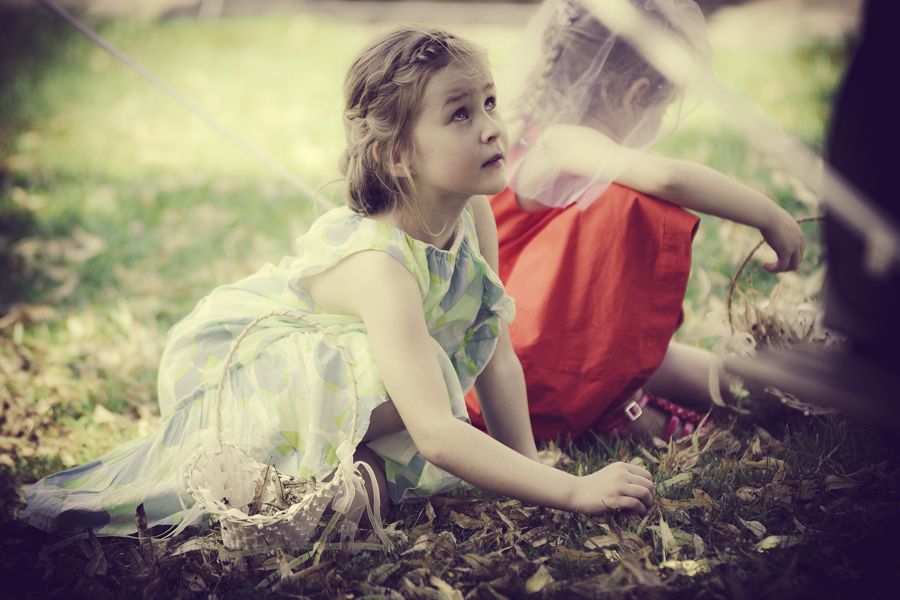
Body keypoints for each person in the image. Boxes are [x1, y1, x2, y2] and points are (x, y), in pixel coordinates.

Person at [20, 26, 656, 537]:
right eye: (459, 114)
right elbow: (436, 432)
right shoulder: (380, 265)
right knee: (425, 381)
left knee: (428, 377)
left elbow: (495, 351)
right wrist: (573, 492)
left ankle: (357, 479)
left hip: (344, 386)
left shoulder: (474, 214)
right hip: (261, 384)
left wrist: (534, 474)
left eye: (489, 102)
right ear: (396, 155)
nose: (492, 126)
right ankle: (291, 485)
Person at [464, 0, 806, 442]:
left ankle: (746, 380)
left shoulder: (520, 126)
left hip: (505, 346)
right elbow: (667, 177)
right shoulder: (562, 142)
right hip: (515, 367)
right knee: (631, 204)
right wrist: (768, 214)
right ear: (635, 94)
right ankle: (615, 411)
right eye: (659, 111)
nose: (657, 123)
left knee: (707, 375)